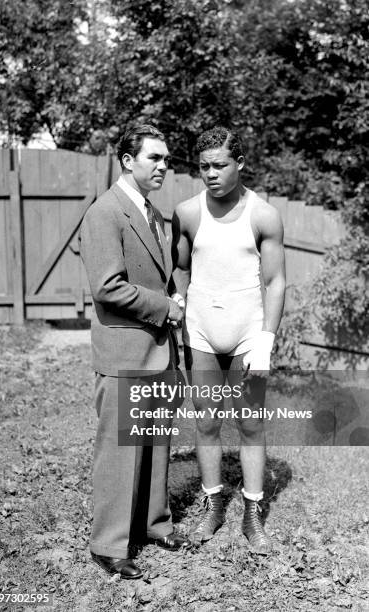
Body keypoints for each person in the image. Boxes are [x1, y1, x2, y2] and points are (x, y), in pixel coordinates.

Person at [79, 124, 188, 580]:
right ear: (127, 160)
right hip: (124, 352)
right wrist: (167, 307)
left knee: (156, 445)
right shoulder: (105, 212)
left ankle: (152, 522)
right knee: (120, 451)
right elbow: (107, 288)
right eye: (154, 159)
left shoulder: (157, 217)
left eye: (166, 159)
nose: (163, 167)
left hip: (159, 354)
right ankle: (109, 544)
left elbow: (162, 277)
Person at [171, 126, 286, 554]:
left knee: (251, 423)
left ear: (240, 164)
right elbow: (178, 265)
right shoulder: (186, 212)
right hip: (201, 330)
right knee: (205, 420)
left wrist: (266, 341)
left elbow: (275, 283)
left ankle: (252, 513)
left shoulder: (263, 214)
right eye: (204, 166)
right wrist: (180, 299)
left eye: (220, 165)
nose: (211, 174)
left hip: (246, 334)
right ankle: (214, 501)